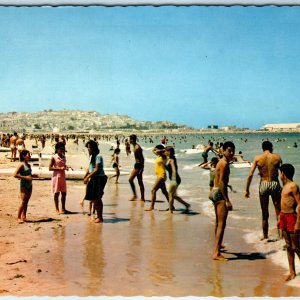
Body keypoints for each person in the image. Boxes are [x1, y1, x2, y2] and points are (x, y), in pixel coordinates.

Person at [245, 141, 282, 240]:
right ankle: (282, 237)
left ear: (262, 148)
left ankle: (265, 238)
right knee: (279, 212)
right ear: (271, 148)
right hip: (275, 184)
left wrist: (247, 189)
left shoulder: (258, 158)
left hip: (264, 184)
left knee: (264, 213)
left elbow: (250, 174)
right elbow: (283, 174)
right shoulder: (277, 157)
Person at [209, 141, 235, 261]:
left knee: (218, 222)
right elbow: (222, 183)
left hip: (214, 191)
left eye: (232, 150)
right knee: (222, 224)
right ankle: (216, 252)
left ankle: (217, 246)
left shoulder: (221, 162)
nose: (231, 152)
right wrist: (227, 200)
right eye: (229, 150)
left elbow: (217, 180)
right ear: (223, 151)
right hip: (220, 193)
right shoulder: (224, 164)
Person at [278, 164, 300, 281]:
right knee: (288, 246)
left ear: (283, 174)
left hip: (292, 216)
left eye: (280, 173)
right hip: (283, 216)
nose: (279, 176)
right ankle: (292, 272)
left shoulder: (293, 186)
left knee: (296, 246)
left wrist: (298, 222)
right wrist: (279, 218)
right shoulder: (284, 186)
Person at [83, 140, 107, 223]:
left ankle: (100, 217)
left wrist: (88, 177)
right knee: (92, 198)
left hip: (99, 178)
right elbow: (89, 168)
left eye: (89, 148)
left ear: (93, 148)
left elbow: (97, 169)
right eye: (88, 148)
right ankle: (97, 215)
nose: (88, 149)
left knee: (97, 198)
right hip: (93, 178)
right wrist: (85, 175)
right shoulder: (91, 156)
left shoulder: (98, 156)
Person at [165, 146, 190, 213]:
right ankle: (186, 205)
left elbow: (174, 170)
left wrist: (173, 180)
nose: (165, 152)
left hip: (175, 179)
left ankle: (170, 210)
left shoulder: (171, 160)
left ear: (169, 152)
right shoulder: (170, 158)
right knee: (173, 195)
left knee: (170, 194)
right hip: (175, 179)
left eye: (166, 151)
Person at [14, 150, 37, 223]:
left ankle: (24, 216)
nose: (30, 156)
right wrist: (26, 177)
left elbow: (28, 174)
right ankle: (18, 217)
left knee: (27, 201)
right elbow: (15, 175)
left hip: (30, 184)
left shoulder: (29, 165)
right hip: (24, 184)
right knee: (23, 201)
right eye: (28, 155)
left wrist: (33, 175)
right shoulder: (21, 165)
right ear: (24, 156)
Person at [145, 145, 169, 211]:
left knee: (153, 190)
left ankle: (151, 207)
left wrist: (161, 149)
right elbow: (153, 150)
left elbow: (161, 151)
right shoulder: (159, 155)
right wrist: (156, 148)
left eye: (158, 149)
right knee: (164, 192)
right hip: (159, 175)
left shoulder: (164, 156)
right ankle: (171, 206)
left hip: (161, 175)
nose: (157, 150)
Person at [49, 142, 70, 214]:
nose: (62, 150)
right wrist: (59, 168)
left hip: (63, 176)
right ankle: (57, 209)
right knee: (56, 193)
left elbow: (64, 165)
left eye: (63, 149)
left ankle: (63, 208)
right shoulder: (54, 157)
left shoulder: (64, 157)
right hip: (56, 177)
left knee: (64, 193)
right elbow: (50, 168)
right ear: (57, 149)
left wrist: (66, 167)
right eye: (61, 149)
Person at [128, 134, 145, 201]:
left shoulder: (137, 148)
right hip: (137, 165)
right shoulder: (134, 146)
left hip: (139, 166)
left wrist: (141, 168)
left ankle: (138, 196)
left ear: (132, 140)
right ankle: (140, 197)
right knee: (139, 181)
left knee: (132, 180)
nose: (129, 140)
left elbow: (142, 158)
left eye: (129, 139)